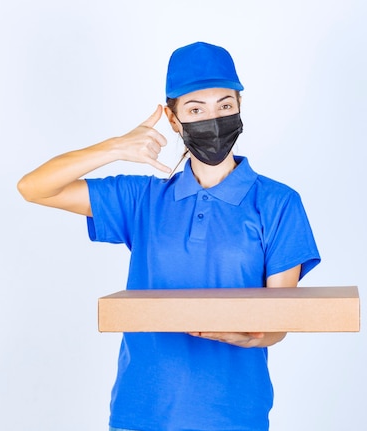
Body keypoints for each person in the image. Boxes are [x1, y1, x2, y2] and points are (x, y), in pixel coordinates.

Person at [18, 41, 320, 431]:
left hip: (234, 416)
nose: (213, 118)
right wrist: (114, 148)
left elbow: (280, 320)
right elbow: (34, 188)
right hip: (141, 413)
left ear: (240, 106)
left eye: (225, 105)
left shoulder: (278, 203)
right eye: (196, 109)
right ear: (174, 120)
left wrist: (249, 336)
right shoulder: (142, 198)